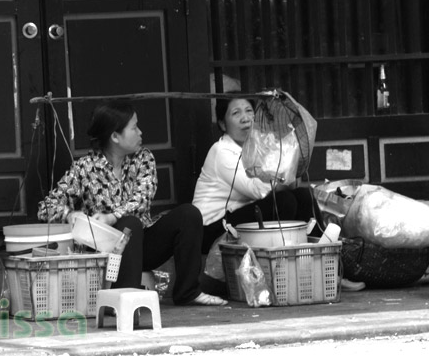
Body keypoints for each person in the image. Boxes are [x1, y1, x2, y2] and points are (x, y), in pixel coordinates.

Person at [38, 101, 227, 306]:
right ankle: (126, 300)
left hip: (143, 245)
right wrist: (70, 215)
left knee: (188, 214)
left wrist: (112, 216)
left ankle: (188, 291)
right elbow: (46, 206)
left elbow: (142, 198)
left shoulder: (143, 159)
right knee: (130, 223)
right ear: (115, 136)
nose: (140, 132)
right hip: (106, 253)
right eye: (134, 127)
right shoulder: (85, 168)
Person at [193, 94, 321, 254]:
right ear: (222, 124)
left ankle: (322, 256)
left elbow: (290, 182)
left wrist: (292, 160)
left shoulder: (257, 146)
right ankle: (279, 261)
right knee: (283, 201)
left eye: (248, 111)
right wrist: (285, 175)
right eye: (236, 113)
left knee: (304, 195)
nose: (245, 118)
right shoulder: (221, 151)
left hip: (238, 217)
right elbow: (256, 190)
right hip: (212, 229)